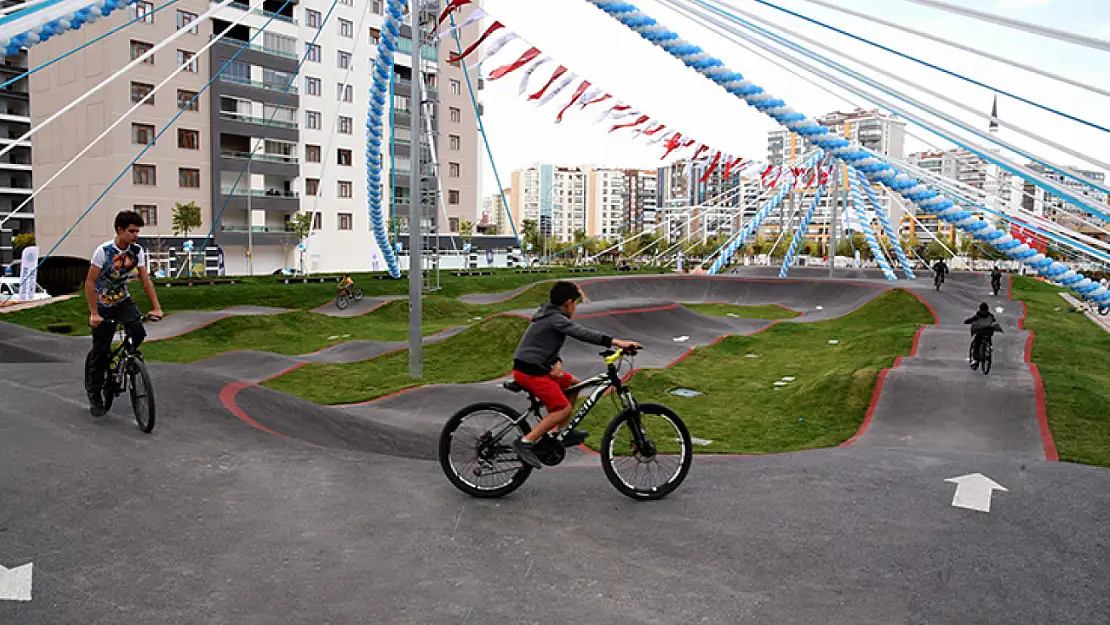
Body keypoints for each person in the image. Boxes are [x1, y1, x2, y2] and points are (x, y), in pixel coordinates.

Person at [510, 281, 640, 468]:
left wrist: (557, 363)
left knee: (573, 385)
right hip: (530, 371)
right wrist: (618, 342)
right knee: (563, 408)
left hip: (537, 366)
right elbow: (582, 333)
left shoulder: (549, 316)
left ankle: (563, 431)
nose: (576, 308)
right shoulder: (556, 318)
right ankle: (525, 442)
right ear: (568, 303)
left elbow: (544, 346)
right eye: (576, 304)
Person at [84, 210, 164, 416]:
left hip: (122, 300)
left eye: (137, 231)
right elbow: (90, 283)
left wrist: (156, 307)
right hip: (102, 303)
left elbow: (145, 281)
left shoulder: (137, 251)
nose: (135, 235)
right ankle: (95, 394)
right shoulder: (103, 252)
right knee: (100, 351)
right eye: (131, 231)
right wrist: (94, 313)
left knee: (138, 331)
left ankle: (130, 360)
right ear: (119, 230)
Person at [964, 302, 1002, 370]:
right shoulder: (990, 315)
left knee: (977, 343)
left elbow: (971, 320)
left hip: (982, 333)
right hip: (987, 333)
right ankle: (989, 348)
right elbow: (994, 322)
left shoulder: (978, 316)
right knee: (986, 339)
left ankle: (976, 359)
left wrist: (967, 321)